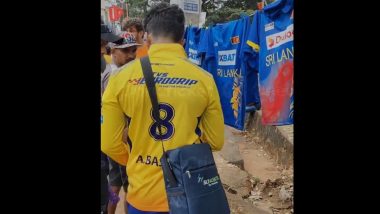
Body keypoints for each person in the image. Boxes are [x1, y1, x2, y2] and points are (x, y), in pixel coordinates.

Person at [101, 3, 225, 214]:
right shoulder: (205, 79)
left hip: (142, 194)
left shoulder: (120, 78)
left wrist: (134, 159)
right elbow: (216, 141)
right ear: (182, 40)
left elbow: (109, 143)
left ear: (147, 38)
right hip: (188, 193)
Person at [106, 32, 141, 214]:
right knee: (130, 188)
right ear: (112, 51)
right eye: (125, 50)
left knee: (114, 183)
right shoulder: (116, 76)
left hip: (113, 143)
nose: (131, 55)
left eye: (133, 50)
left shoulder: (123, 73)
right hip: (119, 143)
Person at [101, 21, 122, 214]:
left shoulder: (107, 68)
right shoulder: (110, 71)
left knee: (109, 179)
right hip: (108, 134)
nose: (104, 49)